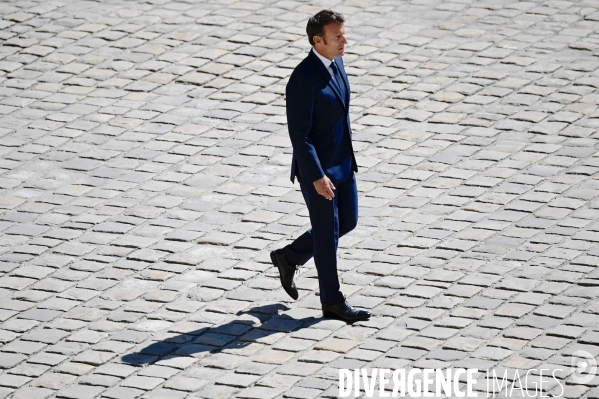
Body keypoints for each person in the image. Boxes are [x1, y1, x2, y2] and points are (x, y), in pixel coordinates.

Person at [270, 9, 370, 322]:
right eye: (337, 36)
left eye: (343, 34)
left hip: (343, 164)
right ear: (318, 40)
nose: (345, 41)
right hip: (319, 173)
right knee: (328, 236)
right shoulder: (302, 79)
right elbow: (299, 135)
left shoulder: (336, 62)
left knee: (347, 223)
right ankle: (333, 302)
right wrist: (316, 176)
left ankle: (289, 256)